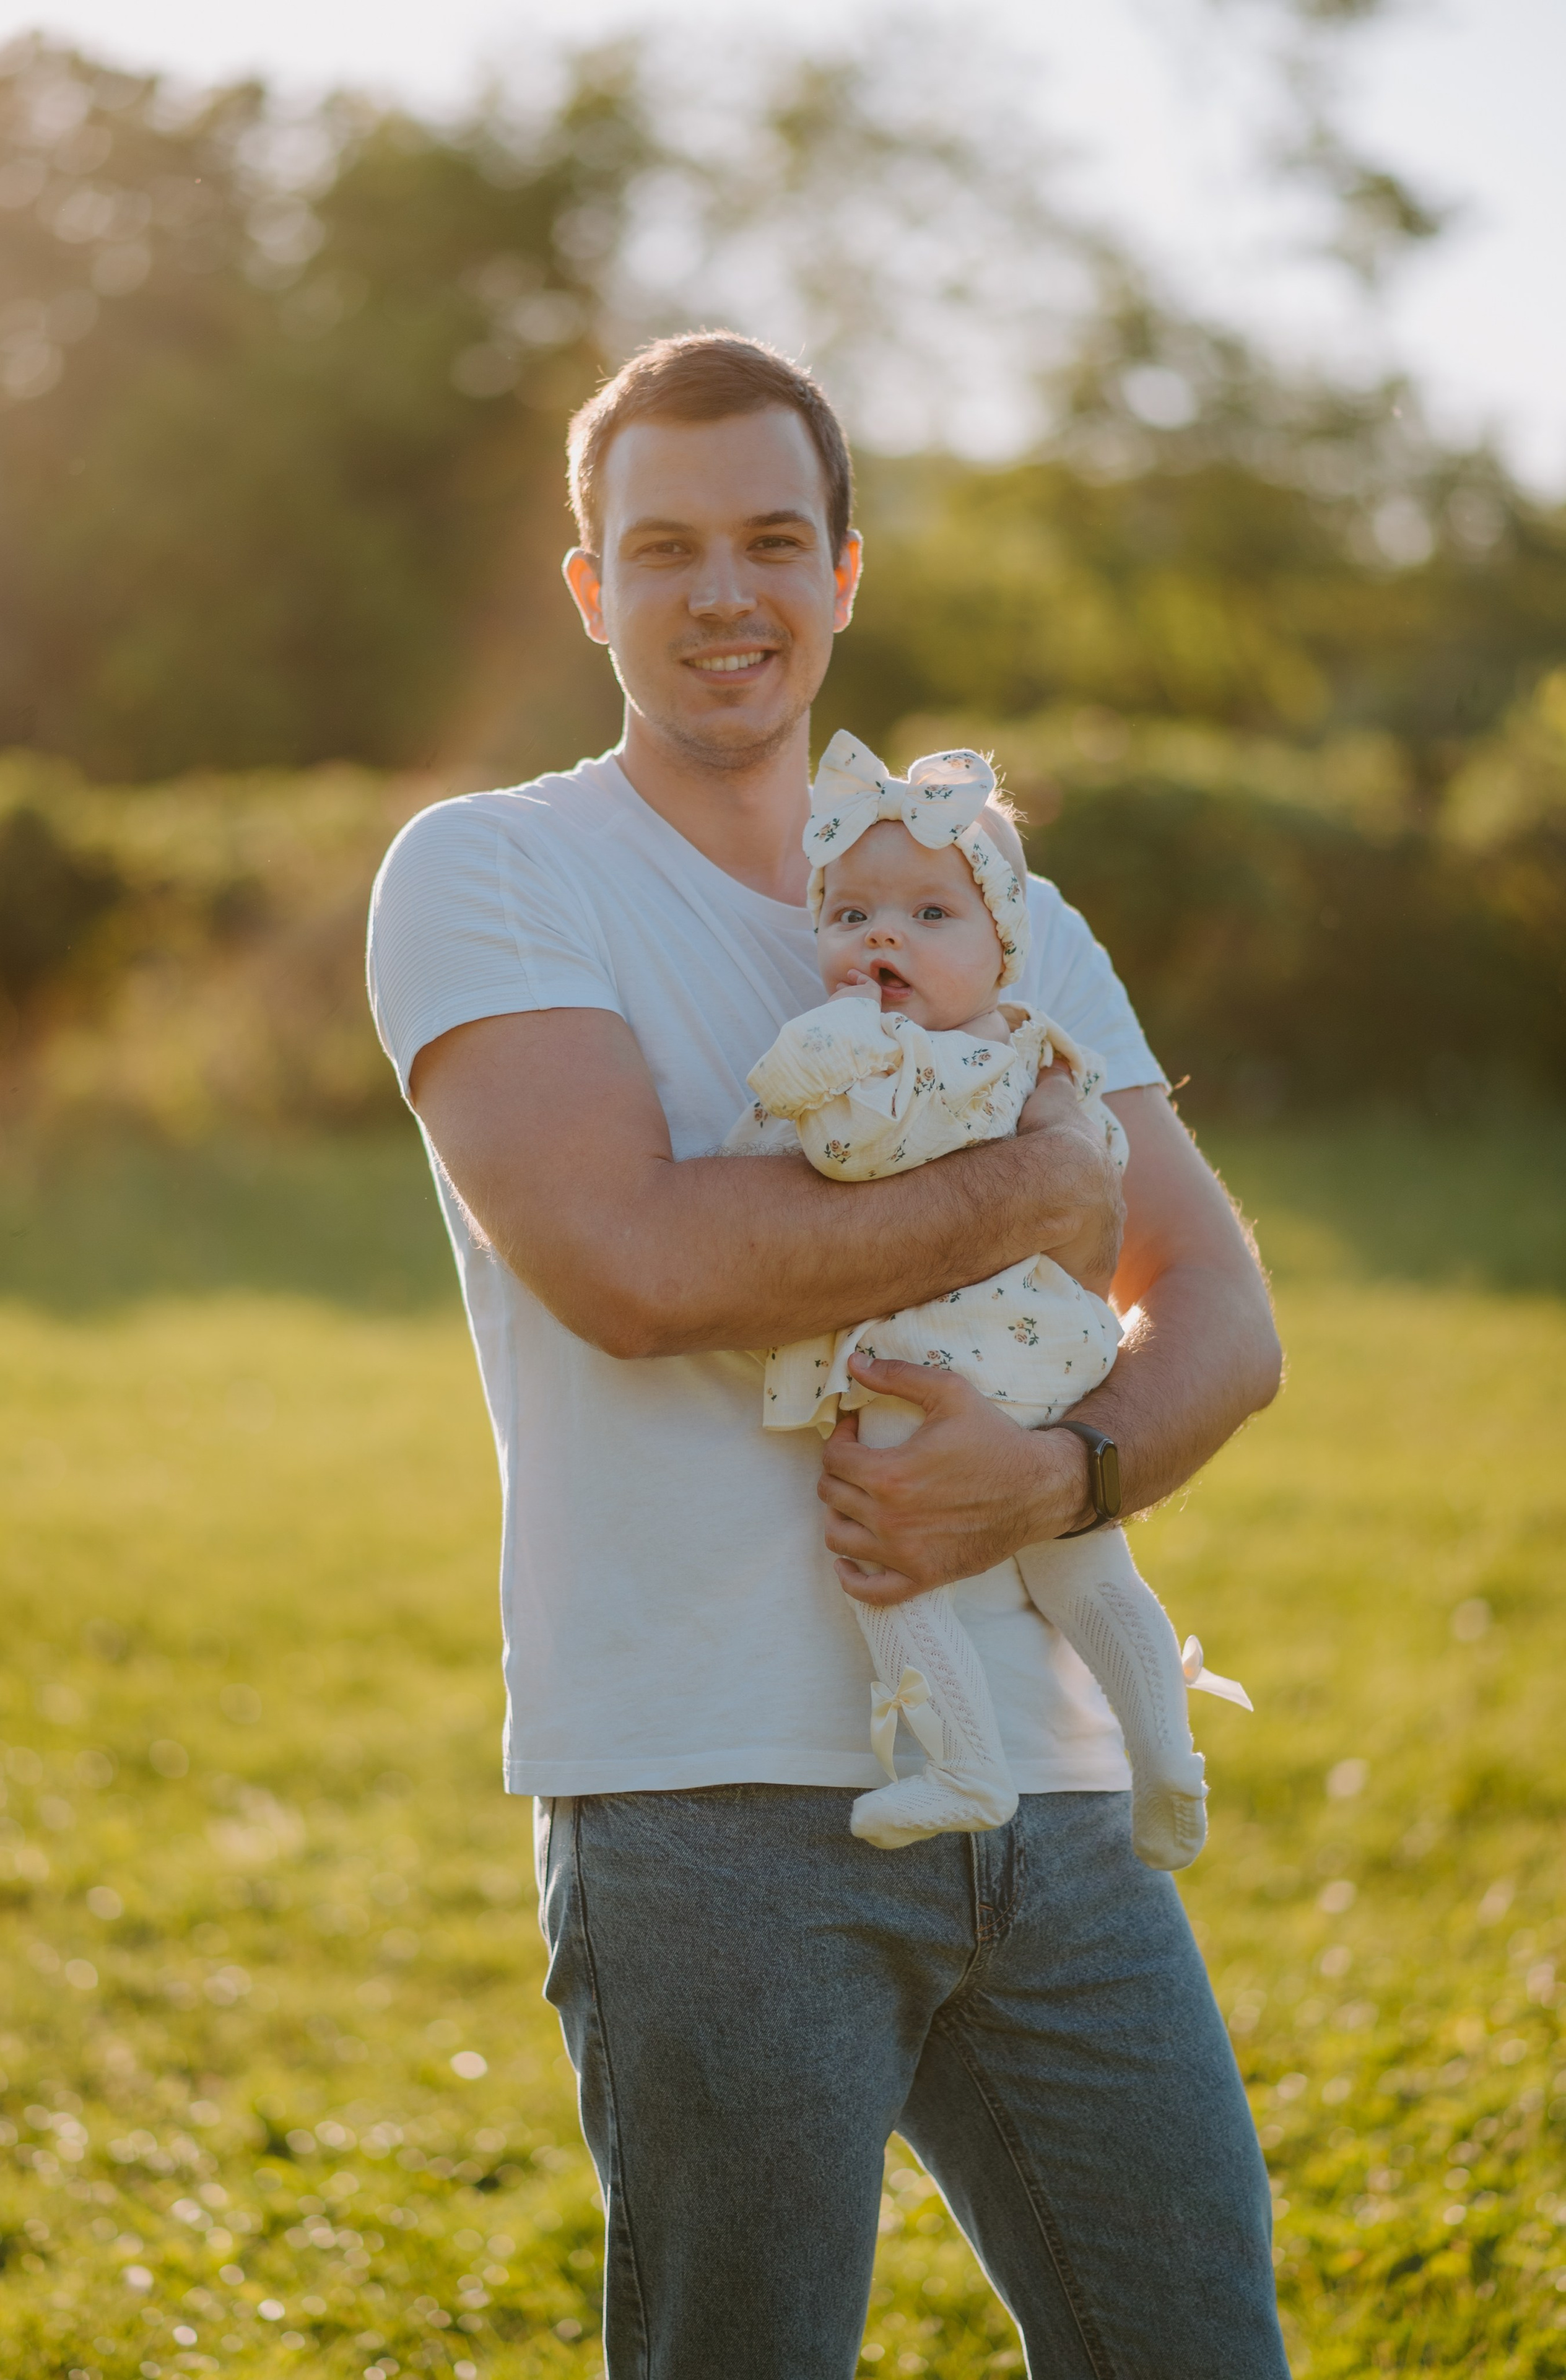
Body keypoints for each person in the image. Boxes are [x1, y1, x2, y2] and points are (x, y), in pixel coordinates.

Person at [367, 331, 1289, 2379]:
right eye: (665, 548)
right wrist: (1033, 1186)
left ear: (846, 574)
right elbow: (632, 1264)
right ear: (589, 587)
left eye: (775, 540)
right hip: (705, 1801)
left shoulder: (996, 904)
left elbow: (1223, 1311)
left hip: (1050, 1791)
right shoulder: (493, 871)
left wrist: (1061, 1475)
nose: (727, 592)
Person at [728, 731, 1248, 1864]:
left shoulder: (904, 1055)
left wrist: (805, 1076)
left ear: (1002, 947)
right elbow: (1097, 1178)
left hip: (933, 1362)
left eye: (930, 916)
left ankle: (964, 1765)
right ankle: (1168, 1756)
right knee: (1087, 1561)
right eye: (851, 915)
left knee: (884, 1555)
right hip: (1061, 1358)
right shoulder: (1036, 1055)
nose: (883, 939)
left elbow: (847, 1161)